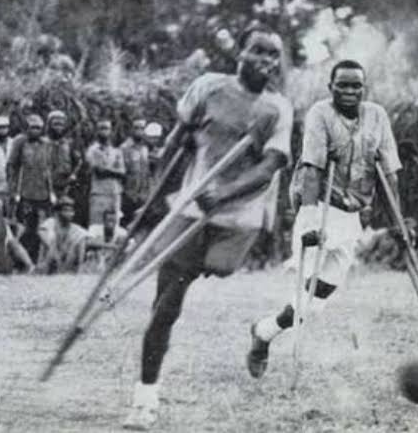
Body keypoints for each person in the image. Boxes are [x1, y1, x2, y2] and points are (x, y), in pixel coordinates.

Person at [122, 22, 293, 430]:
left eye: (273, 55)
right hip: (191, 210)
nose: (267, 61)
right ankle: (144, 399)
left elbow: (271, 166)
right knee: (165, 308)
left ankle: (194, 266)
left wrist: (227, 191)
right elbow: (178, 140)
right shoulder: (209, 87)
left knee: (219, 266)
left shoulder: (277, 108)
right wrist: (155, 199)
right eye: (259, 51)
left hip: (239, 218)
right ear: (240, 52)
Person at [248, 59, 403, 379]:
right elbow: (313, 171)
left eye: (356, 85)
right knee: (308, 289)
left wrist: (399, 222)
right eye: (342, 85)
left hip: (351, 214)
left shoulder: (377, 116)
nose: (349, 91)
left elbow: (390, 173)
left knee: (316, 298)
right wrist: (309, 223)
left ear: (364, 88)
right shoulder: (320, 113)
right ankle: (264, 336)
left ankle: (263, 333)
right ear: (330, 87)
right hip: (319, 203)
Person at [7, 113, 55, 263]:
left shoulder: (46, 143)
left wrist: (51, 192)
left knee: (42, 229)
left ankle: (42, 261)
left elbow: (48, 169)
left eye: (39, 128)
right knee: (22, 228)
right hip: (24, 192)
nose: (36, 131)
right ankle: (18, 260)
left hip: (42, 193)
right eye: (33, 128)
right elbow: (12, 166)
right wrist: (14, 190)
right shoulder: (20, 142)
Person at [85, 119, 126, 225]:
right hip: (99, 193)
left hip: (115, 192)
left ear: (111, 131)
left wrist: (108, 170)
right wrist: (114, 171)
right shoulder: (92, 150)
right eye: (101, 128)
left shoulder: (116, 151)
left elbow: (122, 172)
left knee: (114, 225)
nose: (104, 131)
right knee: (97, 225)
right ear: (97, 131)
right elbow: (99, 171)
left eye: (106, 128)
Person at [36, 196, 88, 274]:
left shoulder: (75, 228)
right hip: (50, 260)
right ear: (59, 212)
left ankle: (77, 271)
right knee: (51, 239)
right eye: (66, 210)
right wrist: (54, 248)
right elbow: (41, 234)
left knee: (80, 239)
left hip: (67, 261)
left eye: (71, 211)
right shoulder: (51, 222)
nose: (69, 214)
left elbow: (85, 237)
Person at [120, 118, 151, 226]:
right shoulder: (124, 148)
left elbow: (146, 173)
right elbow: (121, 173)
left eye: (142, 128)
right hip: (128, 195)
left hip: (142, 196)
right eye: (136, 128)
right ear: (131, 130)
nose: (139, 131)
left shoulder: (145, 149)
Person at [46, 110, 82, 199]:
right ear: (50, 125)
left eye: (61, 124)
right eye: (56, 124)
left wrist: (73, 174)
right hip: (46, 185)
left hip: (65, 185)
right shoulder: (43, 143)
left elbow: (78, 162)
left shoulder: (69, 144)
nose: (58, 127)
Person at [85, 208, 129, 273]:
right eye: (109, 220)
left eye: (113, 221)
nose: (111, 223)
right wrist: (111, 246)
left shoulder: (122, 231)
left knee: (121, 241)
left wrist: (114, 247)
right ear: (104, 221)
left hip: (112, 257)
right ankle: (99, 267)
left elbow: (124, 246)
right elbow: (89, 242)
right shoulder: (94, 228)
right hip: (97, 257)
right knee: (97, 241)